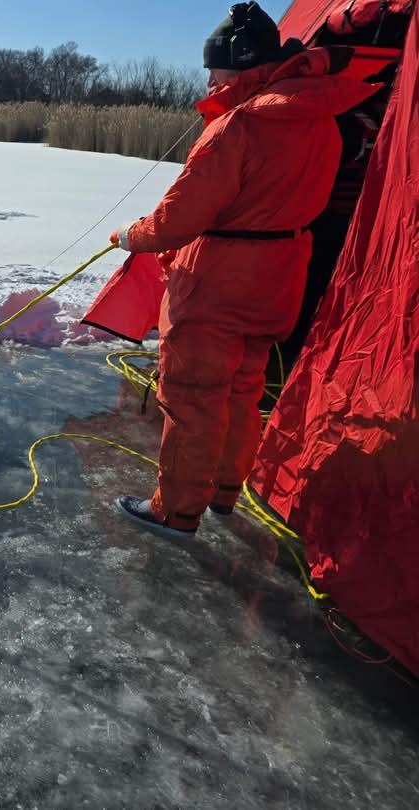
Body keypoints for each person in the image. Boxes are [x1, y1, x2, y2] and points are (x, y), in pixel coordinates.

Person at [107, 1, 377, 539]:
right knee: (243, 390)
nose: (209, 78)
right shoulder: (322, 120)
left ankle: (175, 511)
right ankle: (226, 495)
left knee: (192, 398)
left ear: (240, 65)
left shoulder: (236, 127)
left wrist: (130, 235)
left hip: (217, 285)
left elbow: (176, 220)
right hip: (279, 277)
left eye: (215, 69)